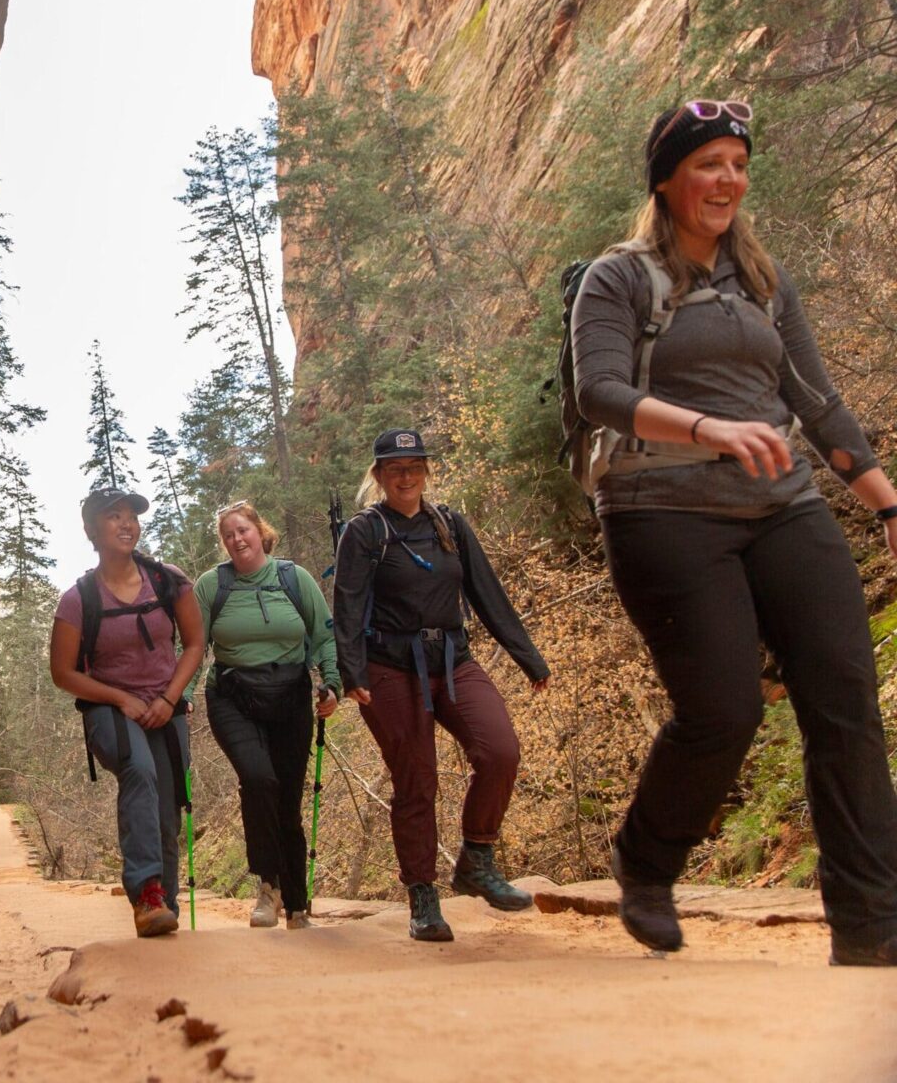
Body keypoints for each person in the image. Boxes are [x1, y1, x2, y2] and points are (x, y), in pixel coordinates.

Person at [571, 98, 897, 964]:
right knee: (724, 710)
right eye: (709, 163)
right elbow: (598, 391)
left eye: (738, 164)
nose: (727, 180)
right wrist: (706, 429)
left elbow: (815, 400)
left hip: (782, 504)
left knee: (845, 701)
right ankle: (646, 859)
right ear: (668, 178)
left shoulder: (760, 280)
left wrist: (887, 505)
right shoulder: (620, 277)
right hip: (660, 509)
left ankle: (873, 933)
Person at [333, 429, 551, 942]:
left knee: (499, 751)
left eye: (414, 465)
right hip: (390, 667)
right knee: (417, 777)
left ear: (426, 469)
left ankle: (477, 856)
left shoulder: (449, 523)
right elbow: (346, 604)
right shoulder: (366, 532)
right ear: (379, 476)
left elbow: (486, 592)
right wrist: (352, 672)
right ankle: (423, 895)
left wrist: (529, 657)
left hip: (453, 659)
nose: (405, 476)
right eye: (394, 468)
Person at [50, 486, 206, 937]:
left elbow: (195, 643)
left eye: (131, 516)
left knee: (166, 806)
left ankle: (164, 907)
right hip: (110, 710)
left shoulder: (166, 580)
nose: (126, 524)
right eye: (113, 516)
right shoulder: (79, 599)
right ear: (91, 531)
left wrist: (168, 699)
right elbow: (63, 672)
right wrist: (122, 699)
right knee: (139, 770)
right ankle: (146, 892)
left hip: (166, 705)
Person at [194, 500, 340, 930]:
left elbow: (323, 633)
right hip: (232, 696)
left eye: (243, 530)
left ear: (260, 531)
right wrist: (178, 696)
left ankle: (295, 903)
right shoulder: (211, 586)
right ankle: (267, 887)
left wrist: (333, 684)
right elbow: (193, 646)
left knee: (289, 802)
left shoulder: (295, 579)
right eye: (228, 536)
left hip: (290, 695)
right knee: (259, 780)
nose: (237, 540)